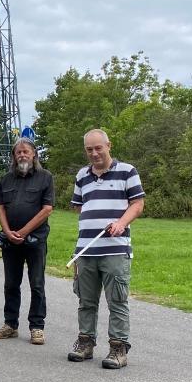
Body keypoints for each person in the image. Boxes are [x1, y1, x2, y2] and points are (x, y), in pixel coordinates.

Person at [68, 128, 145, 369]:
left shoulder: (127, 171)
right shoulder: (82, 175)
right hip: (86, 250)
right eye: (89, 149)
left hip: (115, 249)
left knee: (117, 301)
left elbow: (138, 204)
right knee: (86, 300)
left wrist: (121, 223)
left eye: (98, 148)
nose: (94, 153)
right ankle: (86, 343)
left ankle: (118, 349)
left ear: (108, 146)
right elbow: (79, 207)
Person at [0, 139, 55, 345]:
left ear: (34, 154)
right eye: (18, 152)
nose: (22, 155)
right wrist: (8, 232)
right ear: (13, 156)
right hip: (11, 241)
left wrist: (23, 231)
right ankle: (10, 324)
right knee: (11, 284)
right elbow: (1, 207)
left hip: (36, 240)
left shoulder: (45, 178)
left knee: (37, 284)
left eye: (26, 151)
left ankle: (37, 326)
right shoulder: (6, 179)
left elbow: (46, 209)